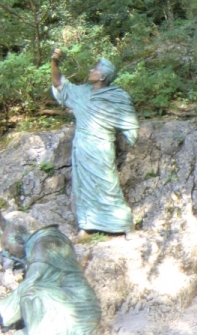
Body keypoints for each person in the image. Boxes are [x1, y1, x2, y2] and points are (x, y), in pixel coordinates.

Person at [50, 49, 139, 237]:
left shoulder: (116, 96)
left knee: (108, 184)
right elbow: (59, 84)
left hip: (101, 147)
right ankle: (87, 224)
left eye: (95, 68)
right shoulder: (81, 92)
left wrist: (130, 132)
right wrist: (54, 62)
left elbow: (129, 122)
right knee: (83, 187)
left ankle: (124, 224)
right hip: (82, 147)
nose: (91, 69)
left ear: (103, 75)